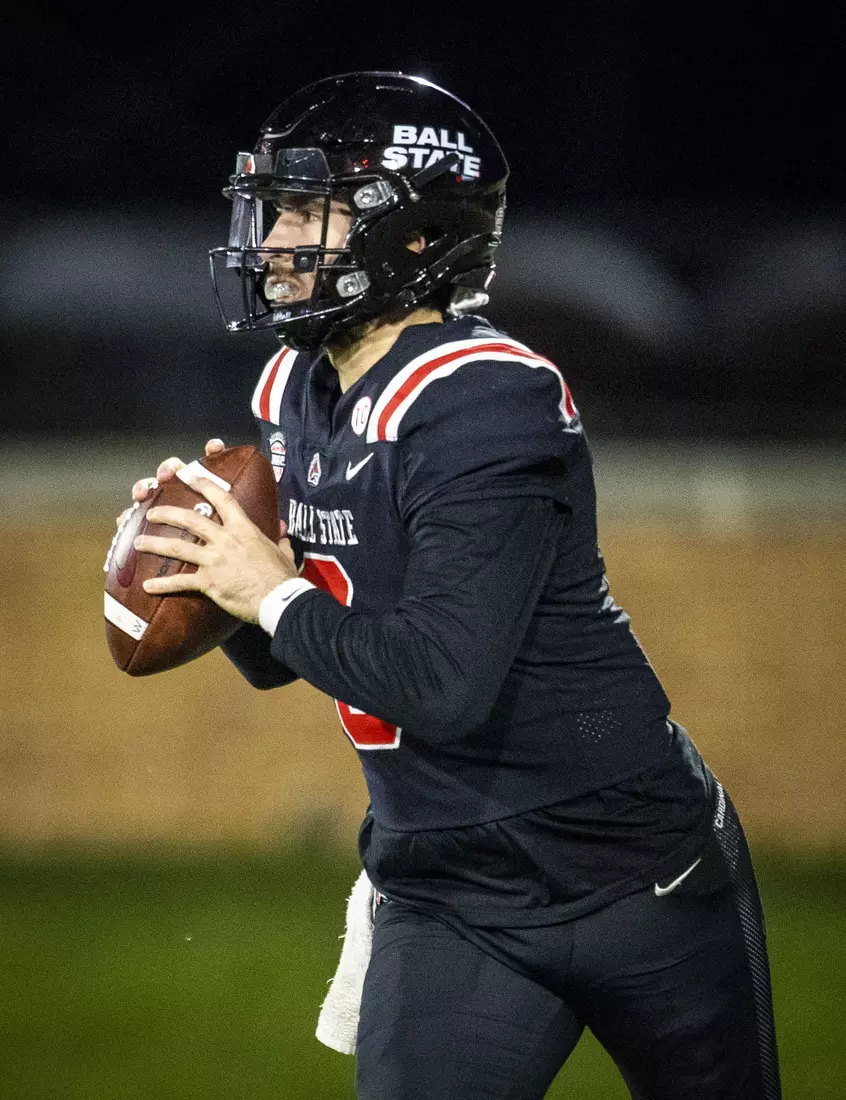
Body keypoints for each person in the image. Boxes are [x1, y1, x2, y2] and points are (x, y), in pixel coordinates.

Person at [127, 72, 781, 1099]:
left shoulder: (484, 395)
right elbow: (294, 650)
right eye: (279, 207)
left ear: (417, 237)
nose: (278, 236)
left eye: (309, 209)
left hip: (634, 876)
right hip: (449, 886)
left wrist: (271, 592)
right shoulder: (296, 387)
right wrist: (210, 571)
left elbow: (440, 682)